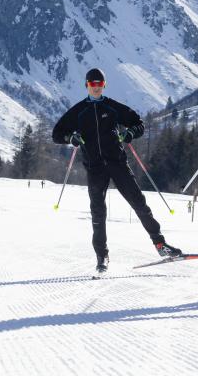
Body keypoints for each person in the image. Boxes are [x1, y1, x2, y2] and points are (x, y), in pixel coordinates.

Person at [52, 68, 182, 274]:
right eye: (92, 84)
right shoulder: (79, 111)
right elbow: (57, 134)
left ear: (104, 85)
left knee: (139, 203)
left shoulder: (112, 107)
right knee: (98, 212)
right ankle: (101, 256)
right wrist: (71, 138)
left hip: (118, 164)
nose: (96, 87)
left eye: (99, 84)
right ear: (86, 85)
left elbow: (138, 124)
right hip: (95, 168)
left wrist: (130, 133)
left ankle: (160, 245)